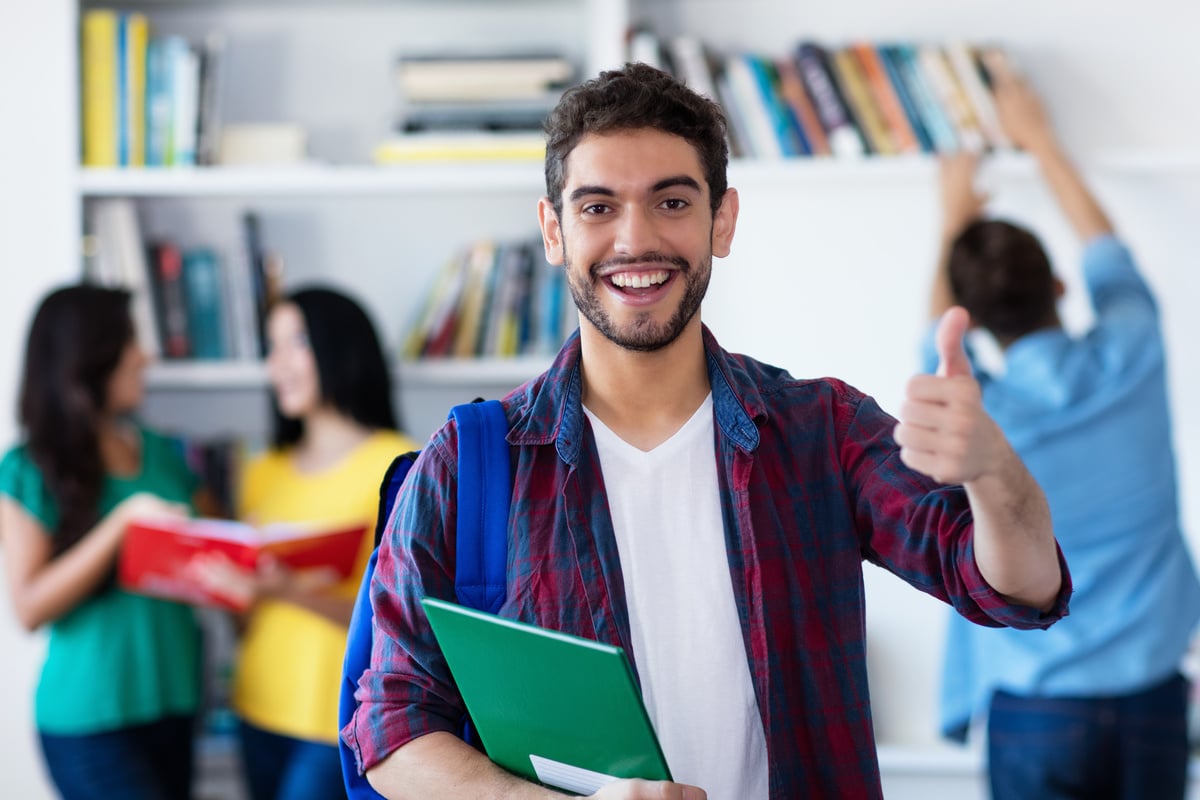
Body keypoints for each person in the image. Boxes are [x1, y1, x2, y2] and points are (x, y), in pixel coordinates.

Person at [344, 63, 1070, 800]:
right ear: (553, 230)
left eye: (671, 201)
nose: (636, 239)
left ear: (721, 221)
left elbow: (1016, 589)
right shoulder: (469, 465)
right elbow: (390, 728)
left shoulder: (824, 431)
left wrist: (994, 472)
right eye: (598, 207)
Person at [926, 57, 1200, 800]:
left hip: (1037, 707)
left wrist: (953, 213)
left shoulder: (976, 412)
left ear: (973, 318)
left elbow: (935, 339)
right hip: (1153, 702)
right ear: (1059, 285)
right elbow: (1110, 254)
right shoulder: (1135, 351)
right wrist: (1040, 142)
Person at [190, 286, 419, 800]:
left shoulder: (399, 464)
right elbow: (246, 619)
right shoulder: (262, 471)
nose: (279, 365)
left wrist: (288, 590)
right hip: (255, 705)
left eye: (296, 343)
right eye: (271, 348)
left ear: (338, 347)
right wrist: (230, 587)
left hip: (336, 718)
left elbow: (399, 619)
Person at [0, 285, 206, 800]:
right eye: (130, 341)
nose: (145, 356)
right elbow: (28, 606)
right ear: (86, 358)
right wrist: (121, 525)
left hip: (175, 701)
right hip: (90, 718)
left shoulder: (161, 451)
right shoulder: (27, 468)